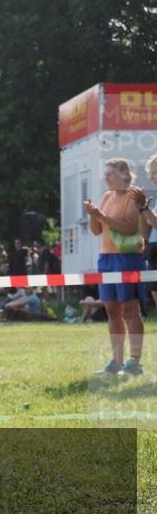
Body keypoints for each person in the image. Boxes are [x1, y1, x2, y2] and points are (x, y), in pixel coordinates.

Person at [84, 158, 146, 376]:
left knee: (130, 310)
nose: (105, 178)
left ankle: (135, 362)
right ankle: (116, 362)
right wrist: (94, 215)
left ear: (123, 174)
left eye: (109, 174)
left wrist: (102, 216)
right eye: (105, 174)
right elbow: (96, 230)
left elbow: (130, 228)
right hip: (106, 258)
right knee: (111, 310)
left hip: (128, 258)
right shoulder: (107, 196)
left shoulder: (133, 196)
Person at [129, 152, 157, 313]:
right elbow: (146, 234)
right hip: (153, 252)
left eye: (156, 172)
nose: (152, 177)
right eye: (151, 173)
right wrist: (141, 209)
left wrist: (145, 208)